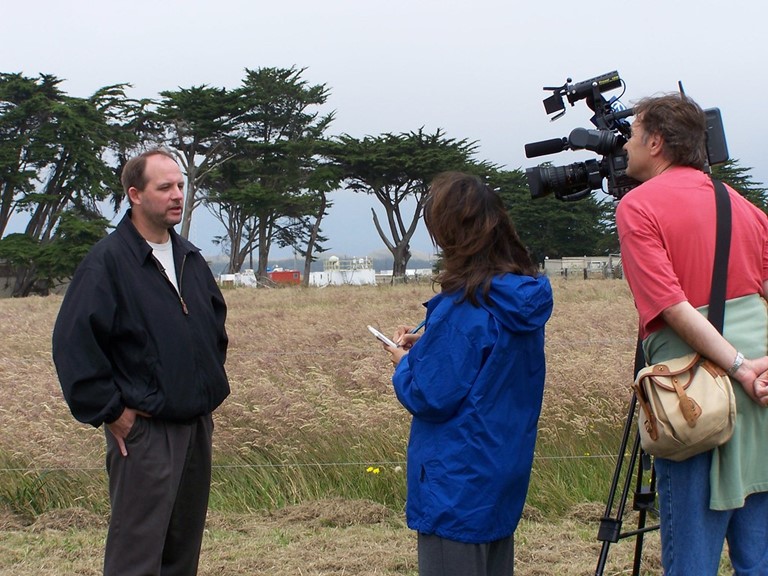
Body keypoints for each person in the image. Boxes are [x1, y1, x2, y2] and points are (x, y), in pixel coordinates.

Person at [52, 148, 230, 576]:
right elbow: (72, 344)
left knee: (181, 554)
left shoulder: (189, 256)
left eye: (181, 186)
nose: (177, 195)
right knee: (137, 555)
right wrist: (112, 411)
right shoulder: (107, 264)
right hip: (145, 433)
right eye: (164, 187)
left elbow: (213, 325)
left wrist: (204, 388)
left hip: (195, 427)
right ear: (134, 194)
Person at [615, 94, 768, 575]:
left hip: (692, 395)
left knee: (691, 560)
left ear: (656, 142)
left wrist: (737, 369)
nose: (625, 145)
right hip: (763, 390)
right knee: (759, 556)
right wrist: (755, 366)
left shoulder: (637, 208)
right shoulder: (742, 205)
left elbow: (672, 306)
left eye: (633, 134)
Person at [383, 172, 553, 576]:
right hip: (502, 471)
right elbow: (488, 371)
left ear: (453, 237)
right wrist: (429, 348)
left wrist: (405, 363)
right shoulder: (517, 299)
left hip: (456, 484)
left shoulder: (466, 308)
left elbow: (429, 395)